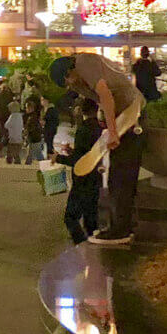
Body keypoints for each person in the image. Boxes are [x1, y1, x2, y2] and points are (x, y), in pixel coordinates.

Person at [48, 54, 144, 247]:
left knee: (120, 175)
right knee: (118, 174)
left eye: (67, 78)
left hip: (130, 114)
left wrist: (113, 132)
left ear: (70, 69)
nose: (70, 84)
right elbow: (102, 101)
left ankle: (121, 229)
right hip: (121, 117)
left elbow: (105, 94)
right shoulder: (78, 82)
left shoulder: (84, 63)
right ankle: (122, 225)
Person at [52, 98, 103, 244]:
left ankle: (81, 243)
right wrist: (72, 151)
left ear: (81, 110)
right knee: (90, 216)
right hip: (96, 176)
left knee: (71, 216)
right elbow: (87, 153)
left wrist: (60, 158)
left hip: (83, 178)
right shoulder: (99, 128)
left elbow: (80, 160)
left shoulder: (84, 129)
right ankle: (93, 243)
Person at [1, 99, 26, 164]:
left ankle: (9, 160)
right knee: (16, 150)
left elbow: (6, 125)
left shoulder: (12, 116)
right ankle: (17, 160)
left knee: (10, 149)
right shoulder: (20, 116)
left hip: (12, 136)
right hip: (19, 136)